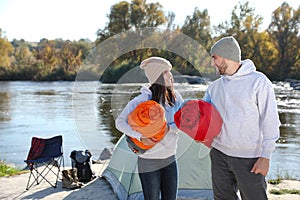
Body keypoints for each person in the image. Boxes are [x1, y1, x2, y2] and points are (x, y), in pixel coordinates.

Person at [203, 36, 281, 200]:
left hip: (250, 157)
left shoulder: (258, 82)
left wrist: (265, 156)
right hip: (219, 154)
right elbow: (203, 116)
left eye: (214, 58)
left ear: (226, 57)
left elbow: (270, 120)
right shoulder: (214, 87)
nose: (213, 63)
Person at [115, 57, 184, 200]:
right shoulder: (141, 101)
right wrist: (140, 136)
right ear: (157, 76)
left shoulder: (175, 98)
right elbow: (120, 122)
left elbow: (183, 122)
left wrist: (169, 129)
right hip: (148, 161)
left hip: (170, 159)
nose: (170, 75)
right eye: (166, 72)